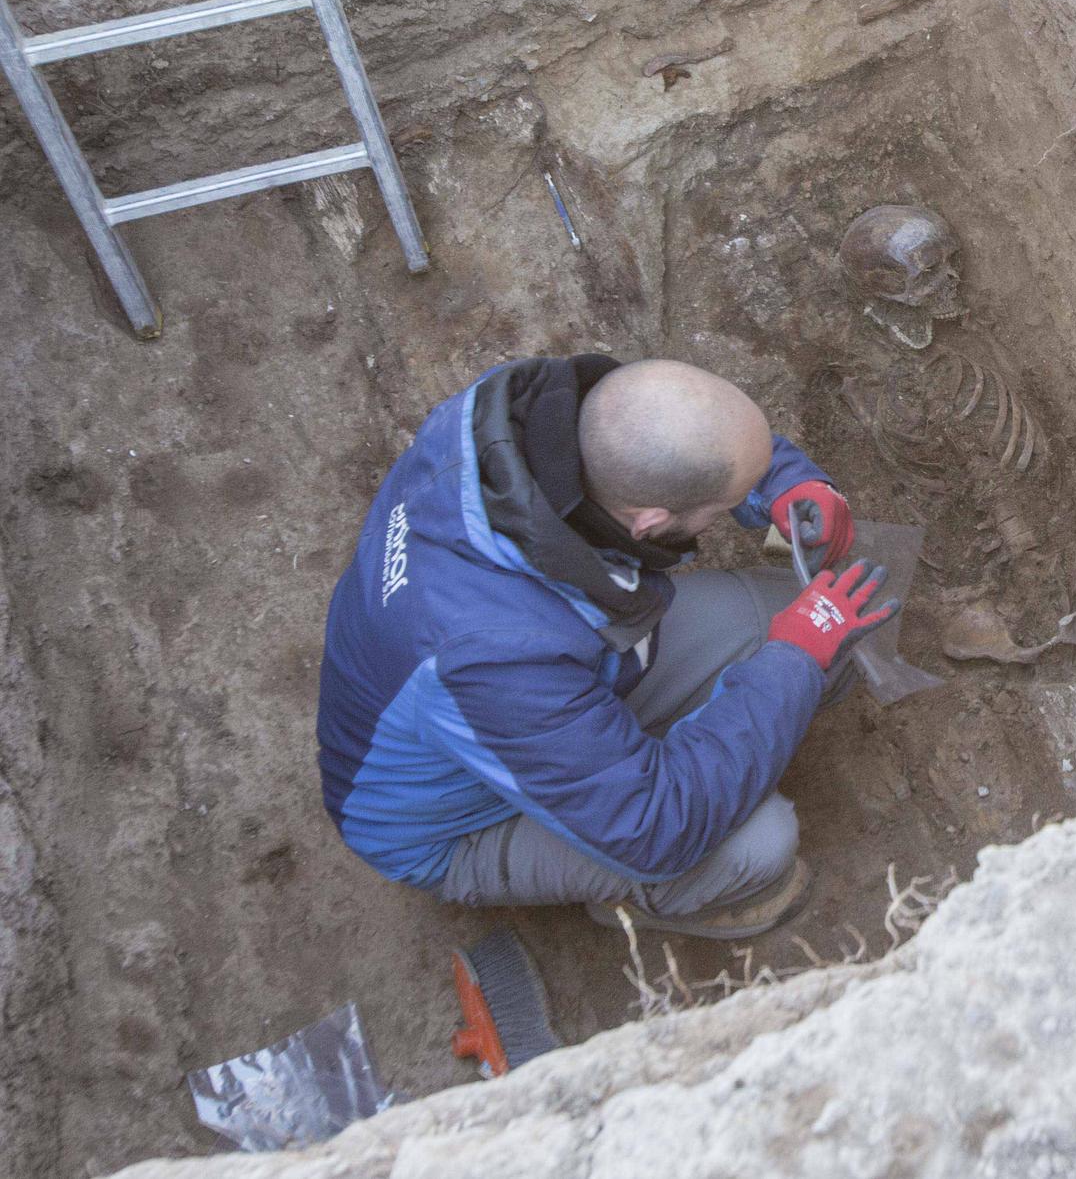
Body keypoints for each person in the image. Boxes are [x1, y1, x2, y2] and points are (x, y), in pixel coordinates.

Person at [317, 355, 896, 939]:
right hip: (455, 825)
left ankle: (636, 755)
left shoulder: (529, 413)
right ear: (647, 521)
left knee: (801, 628)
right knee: (757, 845)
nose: (728, 514)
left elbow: (681, 438)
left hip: (534, 681)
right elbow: (654, 828)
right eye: (722, 510)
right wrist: (791, 662)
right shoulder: (497, 662)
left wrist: (788, 484)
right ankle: (644, 901)